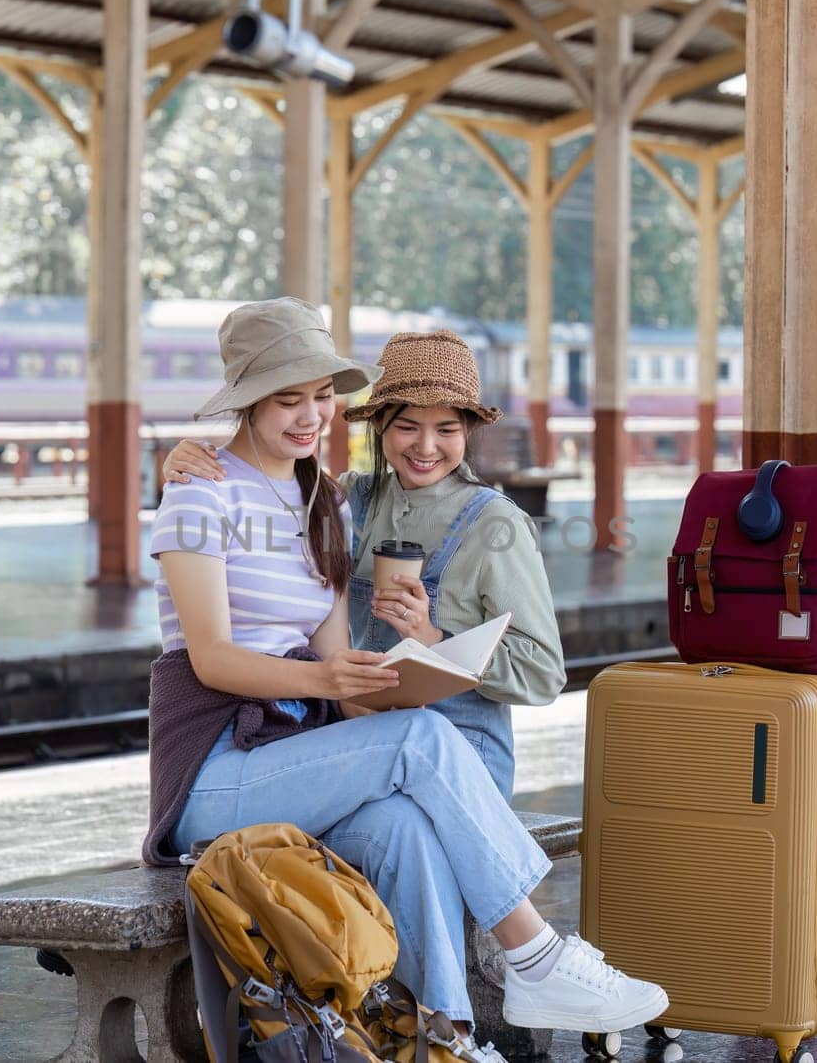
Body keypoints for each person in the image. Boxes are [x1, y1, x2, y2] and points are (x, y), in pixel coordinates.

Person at [147, 298, 666, 1060]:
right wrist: (348, 690)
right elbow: (211, 660)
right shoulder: (200, 492)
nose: (309, 416)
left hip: (295, 755)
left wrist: (391, 682)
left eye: (321, 396)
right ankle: (534, 954)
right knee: (419, 740)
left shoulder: (322, 503)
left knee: (407, 823)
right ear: (246, 401)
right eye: (287, 398)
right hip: (214, 772)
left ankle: (443, 1040)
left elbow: (340, 676)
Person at [162, 329, 564, 801]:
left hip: (460, 750)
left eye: (447, 430)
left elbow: (545, 674)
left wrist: (431, 639)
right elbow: (270, 474)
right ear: (378, 426)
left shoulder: (495, 523)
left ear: (469, 431)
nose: (426, 446)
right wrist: (187, 457)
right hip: (356, 740)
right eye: (407, 426)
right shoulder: (346, 500)